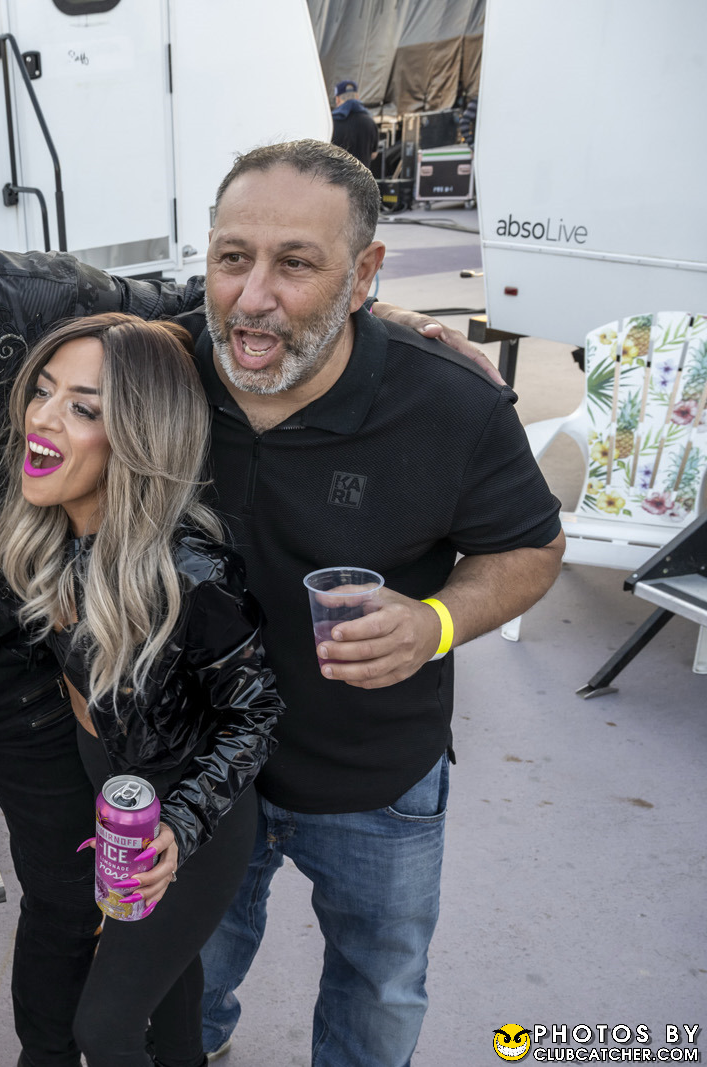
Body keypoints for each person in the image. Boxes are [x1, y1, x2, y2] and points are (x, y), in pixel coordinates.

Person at [0, 69, 506, 1067]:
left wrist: (367, 316)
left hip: (26, 666)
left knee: (64, 891)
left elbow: (205, 312)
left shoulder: (31, 299)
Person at [179, 140, 566, 1066]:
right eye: (233, 257)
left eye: (297, 263)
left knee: (379, 984)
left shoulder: (451, 403)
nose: (253, 297)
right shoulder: (163, 365)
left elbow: (531, 547)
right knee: (189, 971)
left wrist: (435, 623)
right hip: (201, 768)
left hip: (376, 778)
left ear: (363, 275)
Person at [0, 312, 286, 1067]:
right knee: (174, 994)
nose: (42, 418)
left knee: (105, 1028)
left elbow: (255, 714)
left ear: (136, 439)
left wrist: (180, 825)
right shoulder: (53, 537)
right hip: (117, 796)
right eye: (43, 391)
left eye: (83, 407)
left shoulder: (191, 573)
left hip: (189, 822)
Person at [330, 80, 380, 173]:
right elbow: (374, 154)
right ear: (357, 97)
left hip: (336, 177)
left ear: (337, 99)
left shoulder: (332, 122)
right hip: (362, 178)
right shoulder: (370, 122)